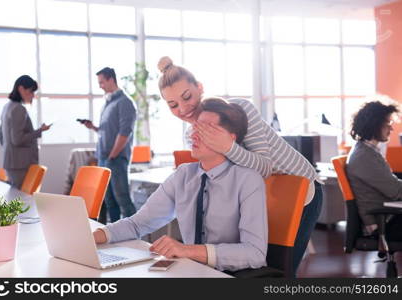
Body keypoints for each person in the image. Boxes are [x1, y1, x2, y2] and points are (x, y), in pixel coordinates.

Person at [156, 56, 323, 274]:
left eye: (187, 96)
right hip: (261, 200)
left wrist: (228, 147)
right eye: (173, 105)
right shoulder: (191, 135)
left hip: (299, 189)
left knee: (278, 272)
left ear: (200, 88)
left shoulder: (239, 109)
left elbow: (264, 167)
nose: (183, 108)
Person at [93, 98, 268, 272]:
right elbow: (137, 224)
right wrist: (90, 238)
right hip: (189, 270)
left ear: (230, 139)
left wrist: (187, 250)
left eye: (206, 129)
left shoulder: (248, 180)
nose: (193, 135)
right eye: (195, 127)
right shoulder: (183, 175)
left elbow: (255, 253)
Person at [82, 67, 137, 223]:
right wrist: (93, 127)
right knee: (110, 201)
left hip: (116, 159)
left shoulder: (125, 102)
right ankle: (115, 238)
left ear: (111, 79)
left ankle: (135, 237)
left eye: (102, 82)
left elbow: (125, 132)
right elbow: (108, 130)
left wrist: (112, 156)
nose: (100, 86)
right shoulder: (108, 103)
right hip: (104, 158)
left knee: (123, 200)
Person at [346, 101, 402, 240]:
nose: (391, 129)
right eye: (388, 123)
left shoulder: (368, 151)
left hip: (388, 217)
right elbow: (396, 191)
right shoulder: (364, 156)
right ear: (375, 124)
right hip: (383, 223)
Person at [0, 75, 51, 188]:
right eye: (31, 91)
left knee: (16, 198)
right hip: (20, 164)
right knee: (21, 200)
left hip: (12, 162)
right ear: (21, 89)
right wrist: (39, 131)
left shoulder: (7, 107)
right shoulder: (18, 109)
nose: (33, 95)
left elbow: (1, 138)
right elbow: (17, 140)